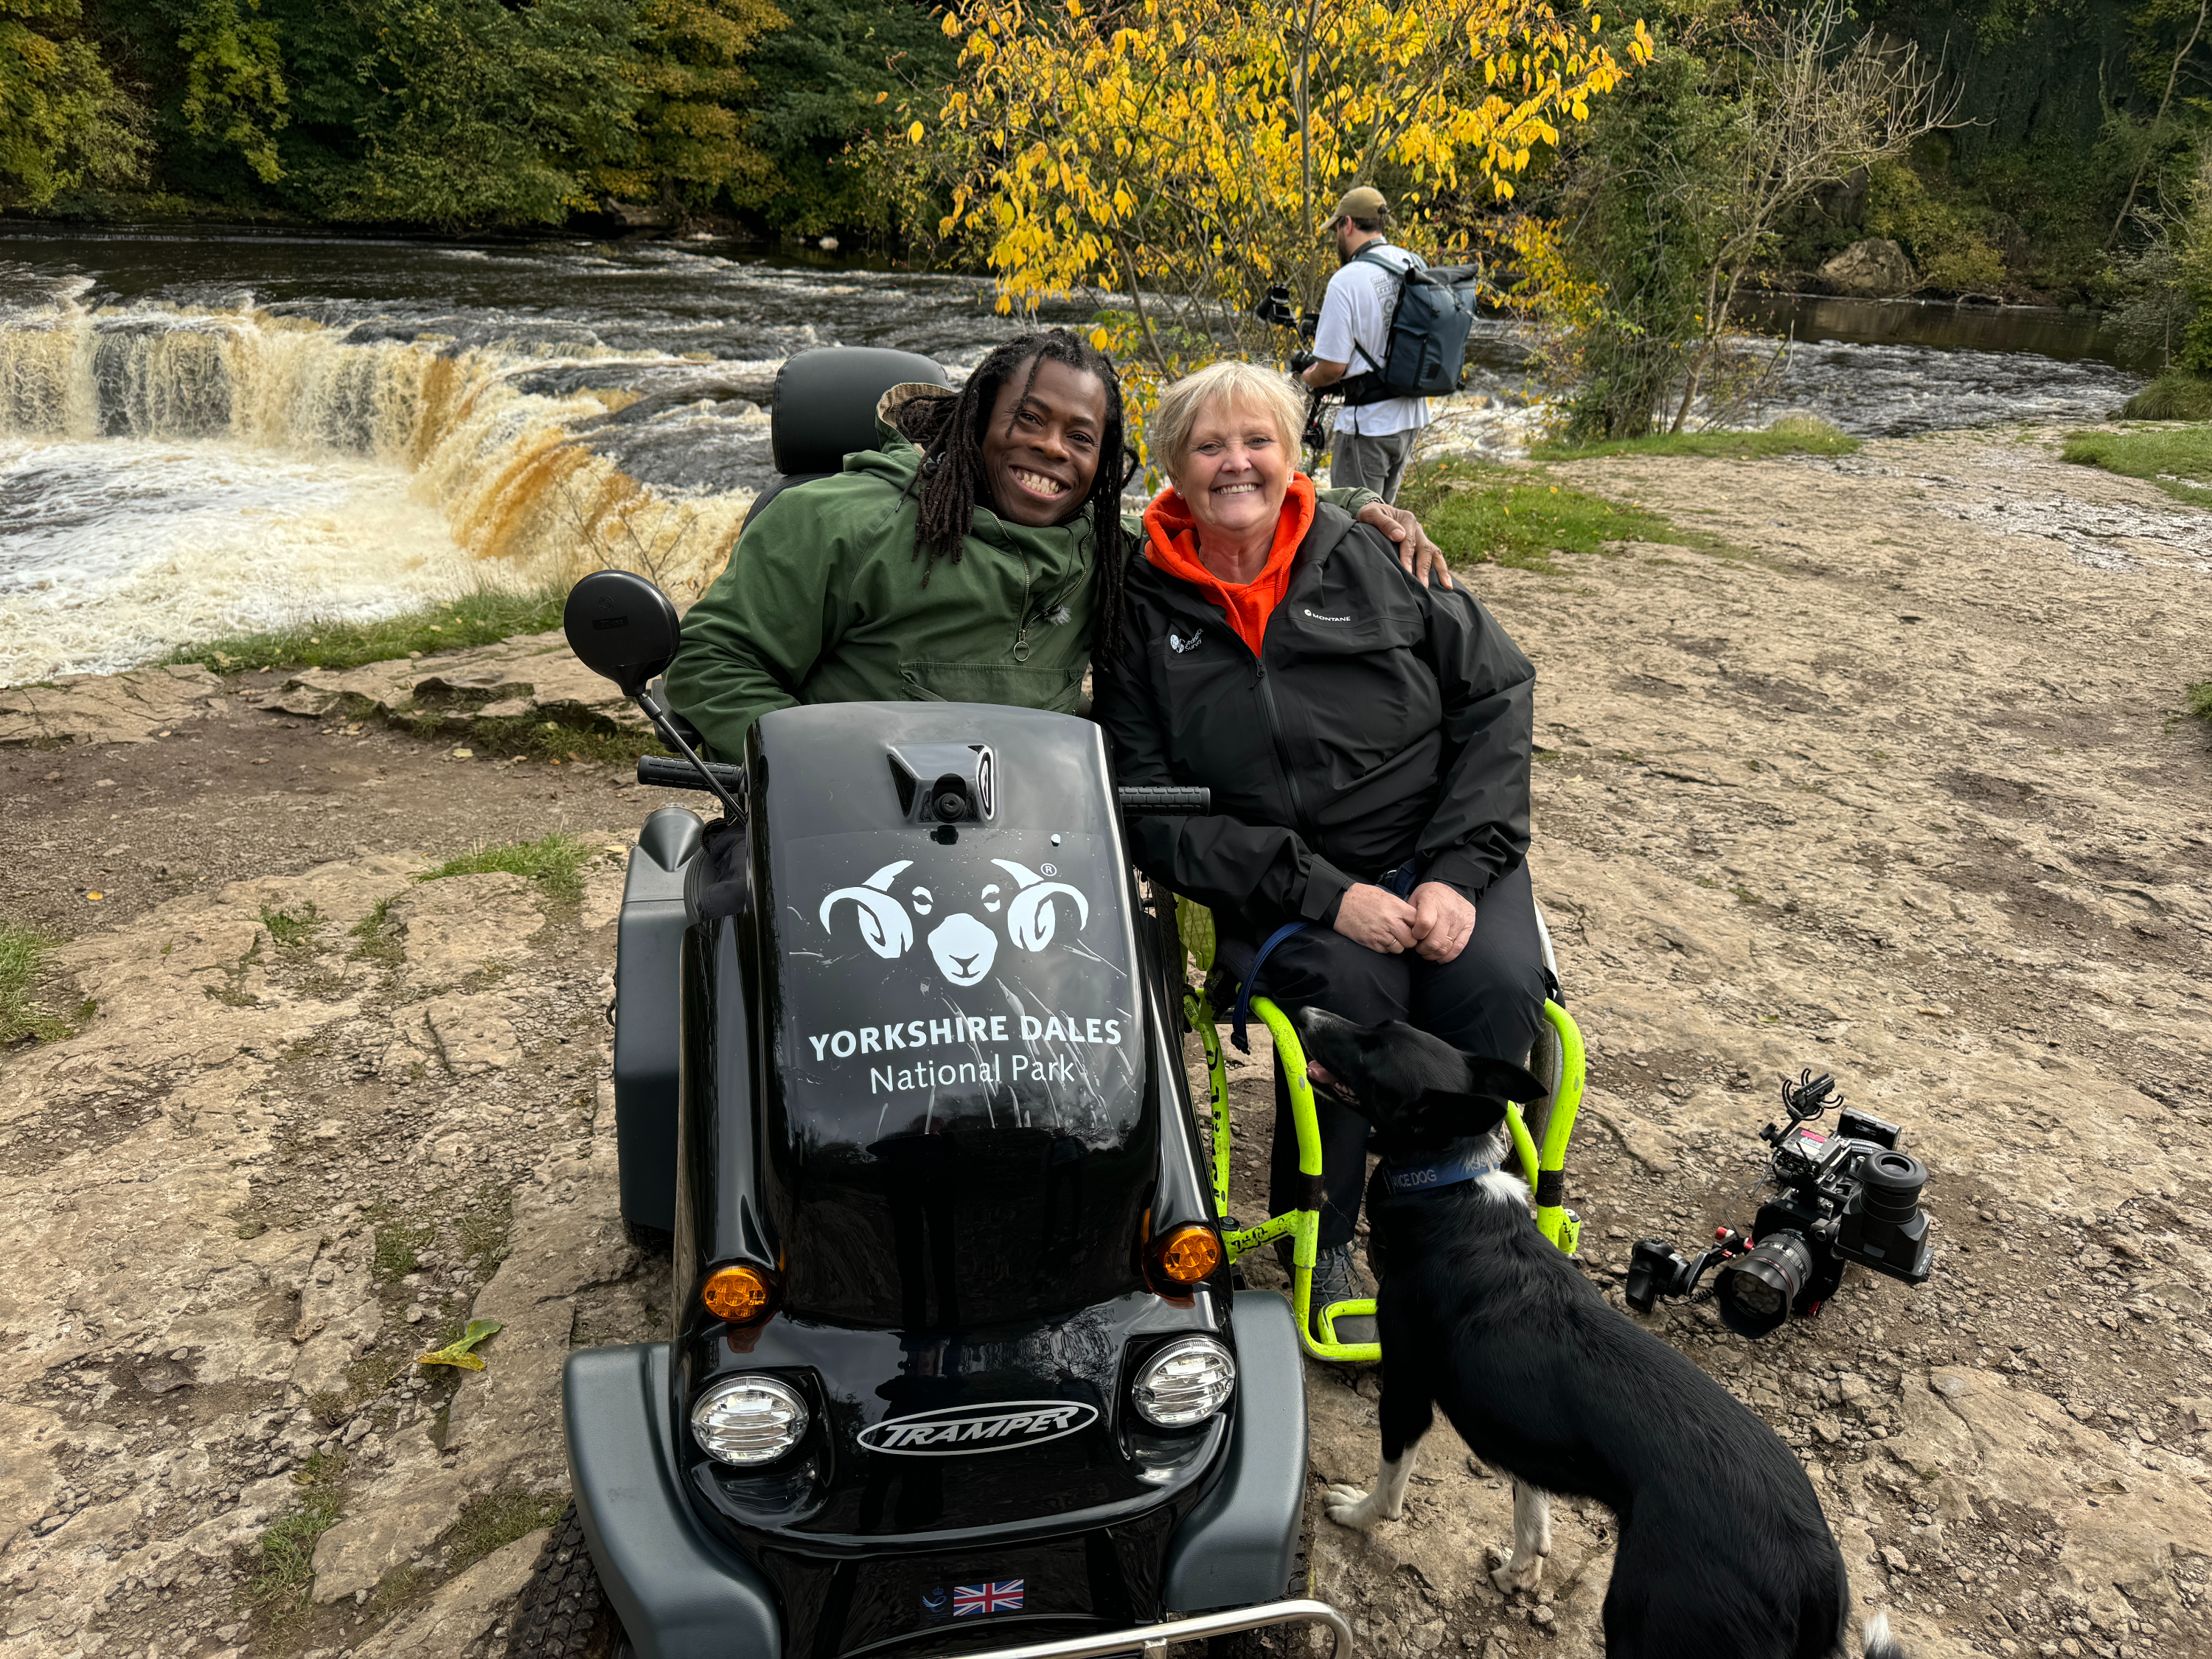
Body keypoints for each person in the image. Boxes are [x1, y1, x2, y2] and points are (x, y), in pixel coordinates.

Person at [1093, 360, 1546, 1345]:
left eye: (1258, 440)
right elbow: (1144, 801)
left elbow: (1500, 692)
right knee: (1347, 1006)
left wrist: (1456, 870)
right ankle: (1332, 1232)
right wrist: (1325, 892)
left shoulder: (1375, 553)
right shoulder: (1138, 602)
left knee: (1495, 982)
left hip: (1438, 850)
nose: (1236, 463)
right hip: (1283, 883)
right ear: (1173, 467)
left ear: (1295, 453)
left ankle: (1468, 1220)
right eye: (1209, 445)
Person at [665, 328, 1448, 762]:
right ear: (975, 422)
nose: (1050, 450)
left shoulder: (1108, 553)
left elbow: (1216, 519)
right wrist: (816, 770)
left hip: (1019, 846)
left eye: (1080, 437)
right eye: (1028, 420)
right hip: (831, 832)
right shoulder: (833, 521)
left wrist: (1354, 506)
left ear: (1103, 468)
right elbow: (711, 667)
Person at [1298, 185, 1432, 504]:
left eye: (1336, 230)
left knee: (1355, 528)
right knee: (1386, 522)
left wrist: (1306, 378)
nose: (1337, 240)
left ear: (1347, 224)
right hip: (1410, 416)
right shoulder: (1413, 263)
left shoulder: (1347, 280)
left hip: (1368, 426)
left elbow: (1332, 368)